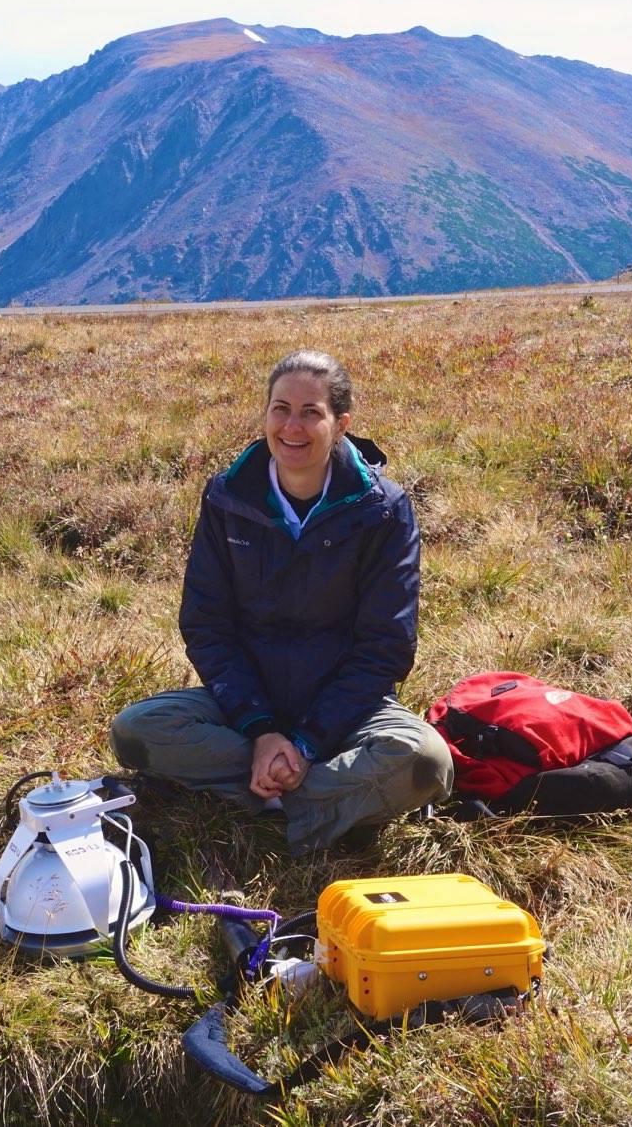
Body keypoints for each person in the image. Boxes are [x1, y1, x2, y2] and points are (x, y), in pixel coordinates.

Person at [110, 350, 453, 854]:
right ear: (265, 415)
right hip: (249, 703)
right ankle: (318, 796)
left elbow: (386, 646)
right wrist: (262, 729)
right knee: (135, 732)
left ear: (340, 425)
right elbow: (207, 626)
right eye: (280, 409)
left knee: (426, 760)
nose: (293, 426)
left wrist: (310, 741)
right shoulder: (228, 498)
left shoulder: (382, 509)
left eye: (311, 412)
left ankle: (271, 794)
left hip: (344, 712)